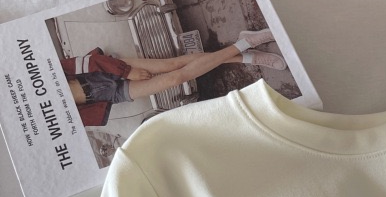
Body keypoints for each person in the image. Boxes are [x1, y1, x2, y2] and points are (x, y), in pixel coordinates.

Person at [62, 31, 285, 124]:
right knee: (174, 79)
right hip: (106, 96)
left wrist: (126, 71)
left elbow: (81, 63)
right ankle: (245, 50)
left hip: (97, 74)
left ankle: (247, 46)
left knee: (172, 65)